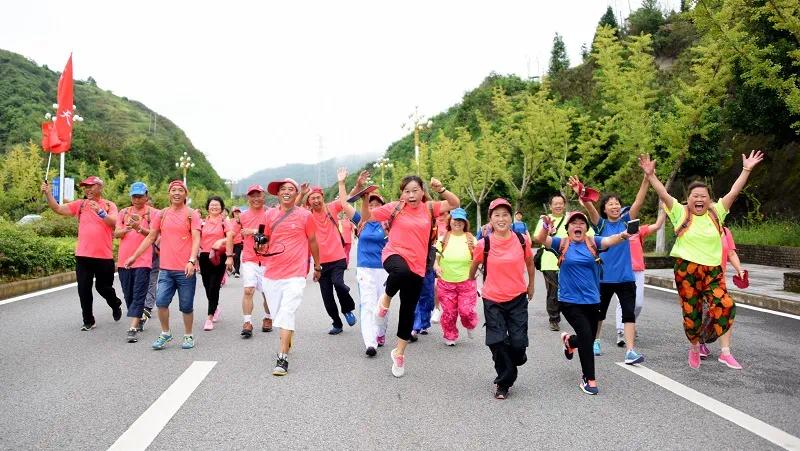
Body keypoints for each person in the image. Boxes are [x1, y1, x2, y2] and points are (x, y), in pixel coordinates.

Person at [638, 150, 764, 369]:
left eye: (703, 196)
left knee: (725, 306)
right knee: (691, 311)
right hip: (686, 270)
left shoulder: (717, 212)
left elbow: (735, 191)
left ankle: (707, 340)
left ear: (710, 200)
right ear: (689, 199)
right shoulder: (680, 212)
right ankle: (695, 345)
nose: (699, 199)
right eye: (695, 196)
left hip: (713, 270)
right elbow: (663, 194)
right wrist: (650, 176)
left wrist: (746, 170)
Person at [363, 175, 460, 377]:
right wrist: (364, 198)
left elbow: (454, 203)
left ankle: (399, 353)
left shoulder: (429, 208)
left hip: (418, 265)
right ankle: (385, 300)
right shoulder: (395, 207)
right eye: (407, 191)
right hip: (394, 254)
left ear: (422, 191)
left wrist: (441, 188)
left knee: (408, 310)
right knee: (400, 271)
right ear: (402, 193)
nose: (411, 195)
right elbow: (368, 216)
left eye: (415, 190)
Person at [535, 211, 631, 395]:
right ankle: (589, 379)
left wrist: (623, 235)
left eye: (581, 223)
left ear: (586, 228)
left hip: (593, 300)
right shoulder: (561, 243)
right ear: (568, 229)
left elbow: (611, 240)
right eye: (573, 223)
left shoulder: (593, 242)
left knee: (587, 335)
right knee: (587, 336)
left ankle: (570, 341)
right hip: (569, 301)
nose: (577, 225)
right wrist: (546, 227)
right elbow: (540, 239)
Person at [570, 174, 648, 364]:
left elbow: (639, 201)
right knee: (598, 314)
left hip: (626, 278)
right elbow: (589, 207)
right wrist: (581, 192)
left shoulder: (626, 222)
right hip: (603, 278)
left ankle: (630, 351)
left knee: (629, 314)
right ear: (604, 209)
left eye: (617, 204)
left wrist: (646, 177)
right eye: (610, 204)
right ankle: (595, 341)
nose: (614, 206)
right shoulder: (601, 225)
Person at [468, 198, 534, 400]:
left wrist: (531, 285)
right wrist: (471, 279)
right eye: (496, 215)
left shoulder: (522, 240)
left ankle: (516, 358)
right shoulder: (483, 244)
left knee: (518, 344)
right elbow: (475, 264)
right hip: (493, 299)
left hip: (517, 298)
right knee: (496, 341)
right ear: (490, 219)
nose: (501, 219)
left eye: (505, 214)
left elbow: (530, 262)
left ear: (511, 218)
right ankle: (504, 382)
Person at [125, 180, 201, 350]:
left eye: (180, 190)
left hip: (185, 268)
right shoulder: (162, 214)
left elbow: (196, 238)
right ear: (169, 194)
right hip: (166, 269)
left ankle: (188, 335)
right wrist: (134, 256)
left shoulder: (191, 214)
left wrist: (191, 260)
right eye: (173, 190)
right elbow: (151, 237)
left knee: (186, 305)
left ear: (185, 194)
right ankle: (166, 333)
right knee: (161, 302)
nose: (176, 193)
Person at [41, 176, 122, 331]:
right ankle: (88, 320)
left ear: (99, 187)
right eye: (85, 187)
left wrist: (100, 211)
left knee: (103, 288)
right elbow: (58, 209)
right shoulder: (81, 204)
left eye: (90, 186)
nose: (87, 189)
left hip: (104, 256)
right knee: (83, 289)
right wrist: (48, 194)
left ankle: (115, 303)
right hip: (83, 255)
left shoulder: (109, 205)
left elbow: (114, 223)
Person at [263, 178, 322, 376]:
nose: (286, 192)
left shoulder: (306, 216)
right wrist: (259, 245)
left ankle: (282, 358)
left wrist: (317, 266)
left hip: (296, 274)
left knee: (287, 312)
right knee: (278, 313)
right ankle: (288, 337)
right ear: (278, 194)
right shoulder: (269, 215)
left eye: (291, 189)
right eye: (283, 189)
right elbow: (265, 241)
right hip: (272, 272)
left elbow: (313, 241)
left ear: (296, 194)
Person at [336, 172, 390, 356]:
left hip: (384, 269)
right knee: (368, 304)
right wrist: (342, 183)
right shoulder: (361, 221)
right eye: (370, 203)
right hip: (365, 268)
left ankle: (380, 332)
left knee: (381, 305)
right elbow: (344, 204)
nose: (373, 207)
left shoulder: (388, 224)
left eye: (377, 204)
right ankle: (370, 342)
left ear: (382, 207)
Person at [301, 183, 357, 335]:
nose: (316, 200)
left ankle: (347, 310)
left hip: (338, 257)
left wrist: (350, 183)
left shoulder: (332, 207)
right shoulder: (307, 215)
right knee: (327, 297)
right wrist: (302, 193)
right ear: (308, 201)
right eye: (312, 198)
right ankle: (337, 323)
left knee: (339, 284)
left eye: (318, 197)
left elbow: (347, 199)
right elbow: (294, 209)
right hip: (321, 263)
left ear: (322, 197)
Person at [614, 207, 666, 347]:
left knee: (638, 304)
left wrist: (664, 210)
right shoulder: (616, 232)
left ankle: (629, 324)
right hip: (622, 271)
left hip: (638, 271)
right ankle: (621, 332)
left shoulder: (638, 231)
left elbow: (657, 225)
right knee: (622, 302)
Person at [115, 182, 157, 343]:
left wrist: (139, 227)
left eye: (140, 196)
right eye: (134, 196)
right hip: (124, 259)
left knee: (139, 292)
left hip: (143, 259)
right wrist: (126, 228)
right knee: (128, 294)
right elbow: (116, 233)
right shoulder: (123, 212)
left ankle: (132, 328)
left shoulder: (153, 213)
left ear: (146, 196)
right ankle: (138, 317)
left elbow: (153, 235)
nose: (137, 199)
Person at [434, 207, 478, 346]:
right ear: (450, 221)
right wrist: (436, 266)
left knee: (466, 311)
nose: (457, 222)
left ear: (465, 223)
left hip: (466, 282)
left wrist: (478, 269)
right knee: (449, 313)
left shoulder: (471, 239)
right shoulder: (443, 238)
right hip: (446, 283)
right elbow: (434, 258)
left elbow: (479, 258)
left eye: (461, 220)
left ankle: (469, 324)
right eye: (455, 219)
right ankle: (450, 335)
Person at [234, 184, 273, 338]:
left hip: (267, 259)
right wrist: (228, 254)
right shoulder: (242, 216)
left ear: (263, 196)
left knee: (267, 293)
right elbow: (232, 234)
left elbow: (274, 232)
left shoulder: (271, 214)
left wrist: (253, 231)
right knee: (248, 290)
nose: (256, 198)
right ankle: (247, 322)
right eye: (252, 195)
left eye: (258, 195)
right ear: (248, 198)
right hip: (249, 258)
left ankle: (268, 317)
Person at [533, 193, 569, 332]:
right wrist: (547, 229)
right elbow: (537, 237)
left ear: (564, 204)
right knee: (553, 291)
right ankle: (554, 318)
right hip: (549, 261)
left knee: (566, 290)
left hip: (567, 261)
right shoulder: (545, 220)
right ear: (550, 206)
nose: (558, 206)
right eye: (555, 203)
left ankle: (568, 313)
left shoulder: (570, 219)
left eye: (561, 203)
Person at [198, 196, 234, 331]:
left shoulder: (225, 222)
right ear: (208, 207)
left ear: (222, 208)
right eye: (212, 205)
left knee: (214, 286)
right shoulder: (202, 223)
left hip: (219, 256)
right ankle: (215, 307)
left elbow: (231, 236)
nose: (214, 207)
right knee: (207, 286)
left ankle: (209, 317)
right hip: (204, 257)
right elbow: (196, 239)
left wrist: (222, 243)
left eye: (217, 205)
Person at [231, 206, 244, 278]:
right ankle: (234, 268)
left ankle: (237, 271)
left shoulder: (241, 221)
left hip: (238, 241)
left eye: (238, 212)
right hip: (231, 242)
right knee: (232, 257)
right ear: (233, 213)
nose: (237, 213)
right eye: (235, 212)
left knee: (237, 256)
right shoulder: (230, 221)